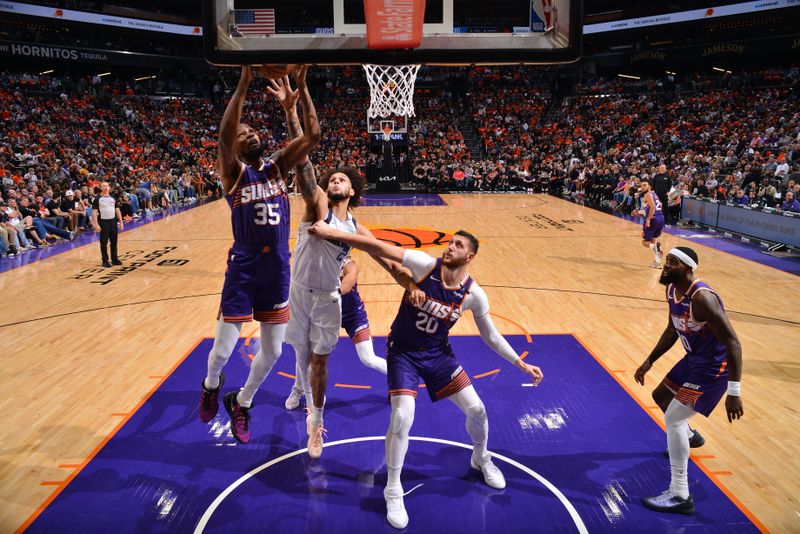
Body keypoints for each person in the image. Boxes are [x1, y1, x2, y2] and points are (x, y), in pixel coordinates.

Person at [307, 223, 544, 529]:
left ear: (470, 256)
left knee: (477, 410)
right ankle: (393, 488)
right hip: (403, 353)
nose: (450, 247)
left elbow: (492, 337)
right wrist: (335, 234)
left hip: (438, 356)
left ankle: (481, 458)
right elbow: (380, 248)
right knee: (402, 417)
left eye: (458, 245)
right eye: (451, 243)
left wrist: (520, 364)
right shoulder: (425, 265)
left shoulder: (474, 295)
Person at [198, 65, 321, 445]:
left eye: (253, 131)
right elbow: (222, 134)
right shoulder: (233, 173)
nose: (250, 134)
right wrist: (245, 81)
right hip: (244, 268)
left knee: (272, 349)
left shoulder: (278, 167)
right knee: (221, 351)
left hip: (277, 269)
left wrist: (301, 90)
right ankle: (211, 385)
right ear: (233, 147)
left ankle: (243, 401)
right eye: (243, 134)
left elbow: (313, 135)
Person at [634, 247, 744, 515]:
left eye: (672, 262)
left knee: (674, 417)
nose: (666, 266)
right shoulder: (672, 291)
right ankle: (690, 438)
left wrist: (734, 391)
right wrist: (650, 361)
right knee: (660, 397)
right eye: (667, 261)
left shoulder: (703, 298)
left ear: (687, 268)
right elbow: (672, 329)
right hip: (694, 359)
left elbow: (733, 343)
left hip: (713, 369)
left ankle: (680, 494)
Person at [285, 255, 388, 410]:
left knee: (368, 358)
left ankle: (399, 380)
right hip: (326, 317)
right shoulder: (316, 264)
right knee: (306, 355)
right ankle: (298, 390)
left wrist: (327, 295)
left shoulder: (350, 265)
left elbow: (347, 284)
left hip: (353, 316)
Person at [91, 182, 123, 267]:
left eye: (106, 186)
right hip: (103, 222)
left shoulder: (113, 197)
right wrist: (96, 224)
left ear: (109, 187)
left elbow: (117, 210)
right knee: (104, 243)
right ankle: (105, 260)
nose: (105, 187)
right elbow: (94, 212)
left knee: (114, 242)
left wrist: (121, 221)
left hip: (113, 222)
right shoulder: (98, 198)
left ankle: (114, 259)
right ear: (100, 188)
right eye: (103, 186)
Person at [639, 179, 665, 267]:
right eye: (641, 185)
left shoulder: (647, 194)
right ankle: (657, 262)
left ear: (649, 186)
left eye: (644, 185)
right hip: (661, 218)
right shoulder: (654, 194)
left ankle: (657, 248)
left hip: (653, 219)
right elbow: (658, 205)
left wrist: (648, 220)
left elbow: (653, 207)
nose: (642, 187)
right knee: (653, 241)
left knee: (645, 242)